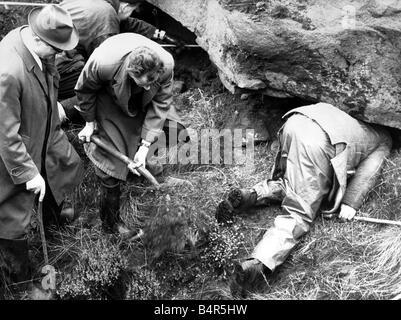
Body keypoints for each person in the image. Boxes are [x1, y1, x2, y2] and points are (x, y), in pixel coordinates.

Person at [215, 102, 393, 298]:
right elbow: (370, 172)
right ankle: (258, 262)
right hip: (318, 143)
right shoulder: (384, 139)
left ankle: (251, 195)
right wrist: (350, 203)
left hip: (297, 122)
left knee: (291, 181)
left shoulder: (356, 120)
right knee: (299, 212)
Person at [0, 5, 83, 296]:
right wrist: (26, 172)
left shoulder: (33, 44)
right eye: (56, 49)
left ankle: (54, 219)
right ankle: (19, 282)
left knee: (57, 170)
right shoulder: (8, 71)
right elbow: (4, 134)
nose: (60, 55)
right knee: (12, 215)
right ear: (38, 39)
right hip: (10, 154)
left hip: (41, 132)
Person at [75, 33, 185, 239]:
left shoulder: (166, 63)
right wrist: (90, 123)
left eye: (151, 83)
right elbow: (85, 89)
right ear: (130, 72)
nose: (146, 86)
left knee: (173, 130)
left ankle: (141, 163)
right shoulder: (104, 63)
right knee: (109, 161)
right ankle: (111, 224)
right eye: (141, 82)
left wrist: (144, 147)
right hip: (108, 97)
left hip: (140, 100)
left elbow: (160, 104)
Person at [57, 0, 182, 102]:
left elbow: (125, 22)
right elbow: (108, 62)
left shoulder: (104, 6)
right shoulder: (105, 18)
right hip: (59, 68)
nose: (131, 15)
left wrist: (161, 35)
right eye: (132, 11)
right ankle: (64, 109)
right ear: (126, 6)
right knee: (104, 83)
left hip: (52, 51)